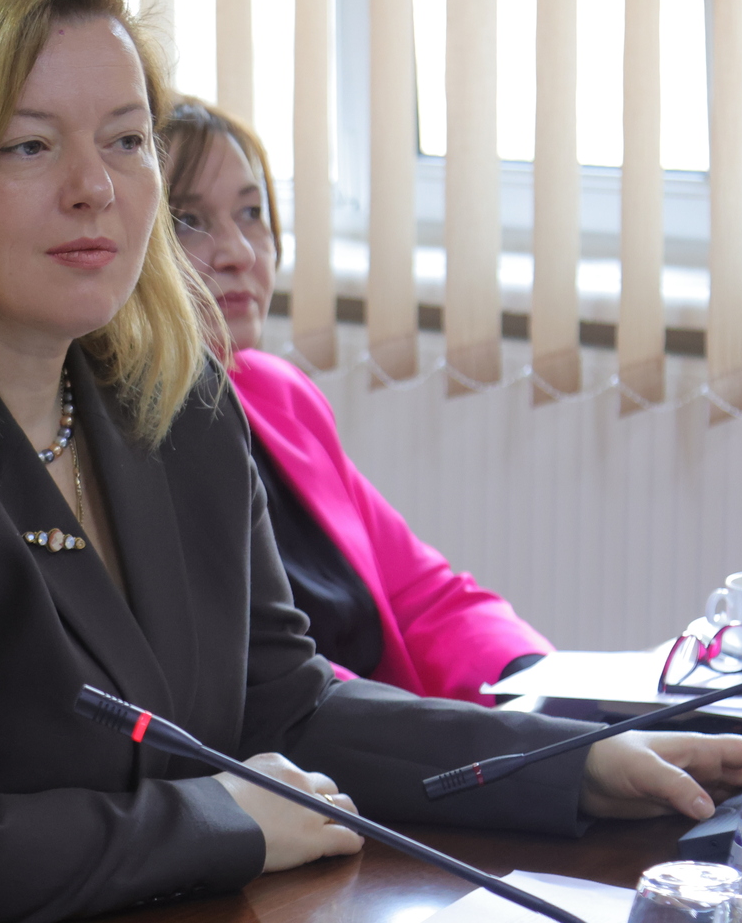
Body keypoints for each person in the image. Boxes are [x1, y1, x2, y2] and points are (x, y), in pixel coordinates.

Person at [0, 0, 742, 923]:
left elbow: (285, 711)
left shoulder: (177, 404)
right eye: (30, 145)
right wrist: (228, 819)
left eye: (126, 140)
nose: (95, 186)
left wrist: (570, 762)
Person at [162, 98, 551, 704]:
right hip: (315, 745)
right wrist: (472, 734)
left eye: (251, 213)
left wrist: (541, 684)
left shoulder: (277, 392)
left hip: (397, 730)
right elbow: (271, 680)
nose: (239, 252)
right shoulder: (133, 440)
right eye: (189, 220)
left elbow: (422, 595)